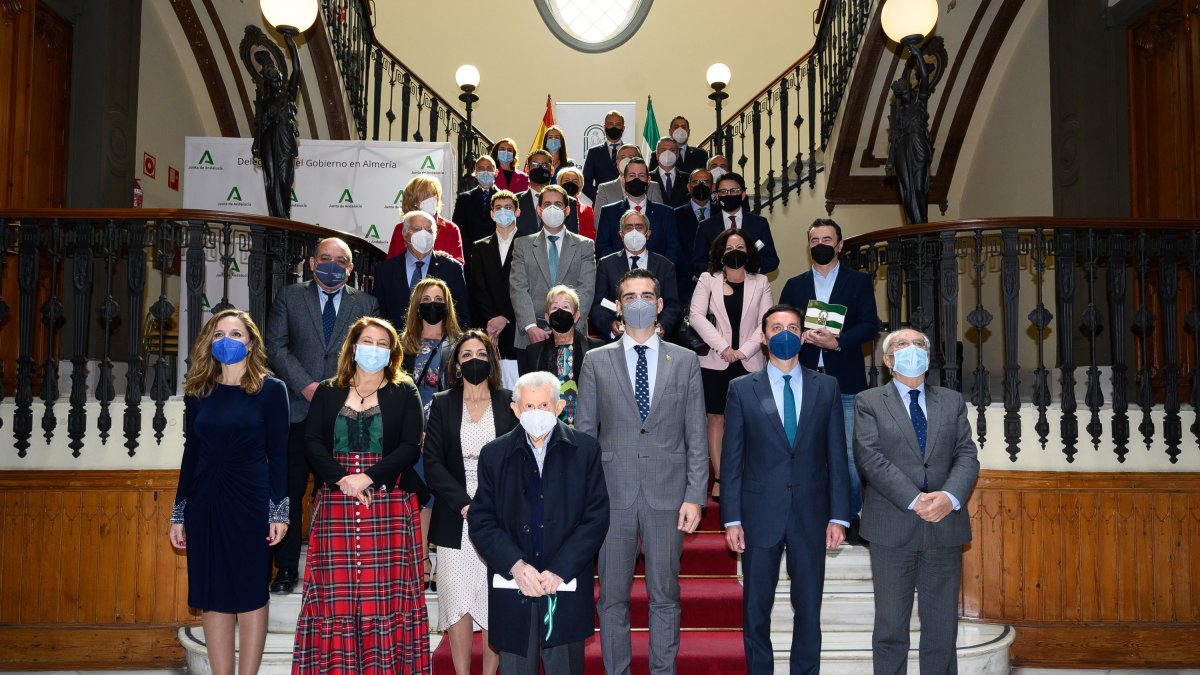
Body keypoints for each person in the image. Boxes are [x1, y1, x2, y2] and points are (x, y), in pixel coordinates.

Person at [575, 268, 708, 675]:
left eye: (646, 296)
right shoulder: (596, 361)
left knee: (664, 594)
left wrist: (695, 496)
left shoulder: (685, 360)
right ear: (618, 306)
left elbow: (696, 434)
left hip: (668, 497)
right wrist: (587, 499)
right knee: (611, 597)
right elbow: (584, 435)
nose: (638, 303)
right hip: (611, 497)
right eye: (629, 296)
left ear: (660, 304)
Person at [292, 316, 429, 673]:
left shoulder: (405, 390)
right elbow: (312, 443)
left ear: (392, 352)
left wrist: (367, 478)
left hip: (389, 504)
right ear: (353, 347)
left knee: (384, 600)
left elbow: (410, 446)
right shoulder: (328, 390)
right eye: (368, 341)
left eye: (383, 343)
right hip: (336, 503)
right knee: (335, 601)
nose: (374, 349)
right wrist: (343, 480)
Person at [720, 304, 851, 675]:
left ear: (804, 335)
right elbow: (732, 459)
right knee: (756, 610)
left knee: (809, 609)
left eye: (792, 327)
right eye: (776, 327)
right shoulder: (742, 389)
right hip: (760, 515)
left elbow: (837, 457)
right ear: (763, 337)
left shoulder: (827, 387)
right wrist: (731, 519)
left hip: (811, 514)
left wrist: (839, 515)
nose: (785, 333)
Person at [854, 328, 980, 675]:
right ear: (887, 360)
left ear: (929, 355)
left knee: (941, 630)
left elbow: (966, 455)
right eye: (901, 345)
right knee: (891, 630)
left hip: (945, 528)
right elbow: (870, 457)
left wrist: (949, 497)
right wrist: (915, 500)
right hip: (892, 528)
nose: (912, 350)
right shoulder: (869, 401)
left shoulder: (952, 401)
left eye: (919, 345)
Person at [467, 371, 610, 675]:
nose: (536, 413)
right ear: (515, 410)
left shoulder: (585, 450)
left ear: (559, 407)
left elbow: (595, 517)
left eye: (544, 405)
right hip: (513, 584)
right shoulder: (494, 455)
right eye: (529, 407)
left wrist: (561, 569)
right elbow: (482, 520)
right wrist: (516, 566)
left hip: (565, 585)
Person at [170, 309, 289, 675]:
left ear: (251, 343)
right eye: (219, 333)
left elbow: (280, 453)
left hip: (251, 500)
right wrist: (178, 511)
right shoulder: (199, 391)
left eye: (236, 334)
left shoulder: (272, 390)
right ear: (209, 341)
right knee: (213, 594)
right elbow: (192, 452)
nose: (227, 340)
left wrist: (279, 511)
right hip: (205, 502)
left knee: (251, 591)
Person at [266, 237, 379, 595]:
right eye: (325, 258)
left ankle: (340, 568)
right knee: (291, 486)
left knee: (341, 487)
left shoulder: (366, 303)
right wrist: (308, 387)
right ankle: (285, 568)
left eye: (341, 260)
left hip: (346, 411)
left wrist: (335, 393)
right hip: (298, 410)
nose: (332, 265)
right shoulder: (290, 296)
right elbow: (276, 347)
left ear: (350, 268)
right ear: (312, 264)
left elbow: (371, 353)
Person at [424, 330, 519, 675]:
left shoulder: (509, 400)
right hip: (456, 516)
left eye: (481, 353)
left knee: (496, 600)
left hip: (500, 517)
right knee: (458, 600)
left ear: (491, 361)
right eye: (467, 355)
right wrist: (465, 505)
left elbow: (520, 459)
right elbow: (433, 464)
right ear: (456, 364)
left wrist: (489, 506)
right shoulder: (443, 403)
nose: (474, 360)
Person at [780, 218, 880, 544]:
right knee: (804, 452)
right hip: (803, 381)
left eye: (827, 238)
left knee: (849, 457)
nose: (820, 244)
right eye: (814, 239)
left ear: (839, 245)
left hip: (845, 381)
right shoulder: (794, 285)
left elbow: (869, 325)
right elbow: (780, 324)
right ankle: (806, 516)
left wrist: (837, 342)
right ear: (808, 246)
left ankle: (849, 518)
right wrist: (799, 334)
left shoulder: (858, 282)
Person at [689, 229, 774, 502]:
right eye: (728, 247)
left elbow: (766, 322)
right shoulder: (707, 279)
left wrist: (743, 352)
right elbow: (696, 316)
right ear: (720, 252)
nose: (734, 250)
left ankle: (747, 476)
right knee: (716, 418)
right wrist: (724, 348)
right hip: (715, 361)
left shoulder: (761, 282)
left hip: (749, 363)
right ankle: (719, 477)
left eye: (740, 246)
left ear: (749, 252)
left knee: (750, 421)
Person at [400, 276, 464, 589]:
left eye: (438, 299)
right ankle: (422, 558)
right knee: (421, 497)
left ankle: (445, 565)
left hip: (446, 429)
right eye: (426, 300)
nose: (432, 305)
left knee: (444, 496)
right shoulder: (402, 345)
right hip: (411, 432)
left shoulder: (459, 343)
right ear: (416, 307)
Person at [509, 184, 597, 351]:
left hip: (572, 334)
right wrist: (530, 326)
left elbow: (586, 289)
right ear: (539, 210)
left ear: (567, 210)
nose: (552, 208)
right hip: (532, 336)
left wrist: (570, 327)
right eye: (547, 204)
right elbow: (518, 288)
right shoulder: (522, 245)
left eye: (558, 204)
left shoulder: (584, 246)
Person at [589, 209, 681, 340]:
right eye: (628, 227)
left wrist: (663, 326)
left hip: (655, 337)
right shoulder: (606, 264)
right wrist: (610, 325)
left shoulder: (666, 265)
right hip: (619, 339)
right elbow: (598, 305)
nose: (634, 232)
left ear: (648, 234)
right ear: (621, 234)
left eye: (639, 227)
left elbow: (672, 305)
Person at [518, 286, 602, 427]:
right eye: (554, 307)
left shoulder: (596, 349)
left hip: (587, 428)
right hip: (547, 428)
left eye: (565, 306)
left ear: (576, 316)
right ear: (547, 317)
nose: (560, 312)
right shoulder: (533, 352)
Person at [373, 210, 470, 331]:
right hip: (397, 345)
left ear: (435, 235)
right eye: (417, 229)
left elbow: (462, 315)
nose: (424, 234)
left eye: (429, 230)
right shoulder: (385, 271)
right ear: (405, 234)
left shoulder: (452, 268)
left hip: (439, 346)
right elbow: (378, 316)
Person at [468, 190, 522, 388]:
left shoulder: (529, 243)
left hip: (517, 329)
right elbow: (477, 288)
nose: (503, 212)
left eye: (508, 207)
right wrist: (492, 320)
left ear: (517, 212)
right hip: (488, 329)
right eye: (498, 208)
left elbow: (527, 287)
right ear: (491, 214)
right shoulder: (479, 246)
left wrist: (505, 317)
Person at [691, 172, 780, 277]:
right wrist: (719, 273)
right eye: (723, 191)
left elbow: (772, 260)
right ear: (717, 196)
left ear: (742, 195)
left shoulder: (759, 223)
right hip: (718, 286)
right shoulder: (706, 226)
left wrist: (750, 270)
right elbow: (697, 263)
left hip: (752, 285)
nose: (728, 195)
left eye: (734, 191)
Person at [594, 158, 681, 263]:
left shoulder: (666, 213)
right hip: (618, 276)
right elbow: (602, 247)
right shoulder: (609, 212)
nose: (637, 180)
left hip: (656, 275)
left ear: (648, 180)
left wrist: (658, 271)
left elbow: (673, 248)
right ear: (623, 180)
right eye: (632, 175)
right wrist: (619, 271)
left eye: (641, 176)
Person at [387, 175, 466, 263]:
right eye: (426, 195)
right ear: (414, 201)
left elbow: (459, 265)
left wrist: (446, 259)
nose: (432, 199)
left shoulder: (450, 229)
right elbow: (391, 263)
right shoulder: (401, 228)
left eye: (434, 194)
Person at [516, 149, 581, 236]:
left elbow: (571, 237)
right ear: (527, 169)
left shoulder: (569, 202)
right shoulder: (515, 201)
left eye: (545, 165)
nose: (540, 168)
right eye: (535, 165)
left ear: (552, 171)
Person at [673, 168, 714, 302]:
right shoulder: (675, 215)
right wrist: (694, 275)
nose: (701, 186)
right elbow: (675, 249)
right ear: (689, 187)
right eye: (696, 182)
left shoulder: (721, 213)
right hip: (686, 285)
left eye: (705, 182)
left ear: (712, 187)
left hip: (718, 283)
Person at [452, 155, 500, 267]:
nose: (485, 171)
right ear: (475, 172)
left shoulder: (505, 198)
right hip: (471, 259)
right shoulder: (464, 199)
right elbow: (459, 230)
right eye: (481, 168)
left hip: (497, 256)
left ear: (496, 172)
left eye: (489, 168)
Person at [595, 144, 664, 210]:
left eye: (631, 157)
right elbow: (599, 220)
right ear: (617, 162)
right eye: (623, 157)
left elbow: (660, 216)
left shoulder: (653, 186)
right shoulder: (605, 189)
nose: (627, 161)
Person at [582, 109, 627, 201]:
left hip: (628, 203)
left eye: (618, 124)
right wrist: (601, 196)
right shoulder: (593, 152)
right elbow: (585, 183)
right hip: (602, 204)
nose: (614, 127)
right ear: (604, 127)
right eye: (610, 124)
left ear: (623, 128)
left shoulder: (632, 151)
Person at [649, 137, 691, 208]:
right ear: (657, 155)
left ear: (677, 155)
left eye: (672, 150)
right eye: (663, 150)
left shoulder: (688, 178)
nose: (667, 153)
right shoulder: (647, 178)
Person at [556, 167, 595, 239]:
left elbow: (590, 236)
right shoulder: (553, 207)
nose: (570, 184)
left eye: (575, 182)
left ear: (580, 187)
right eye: (566, 180)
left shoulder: (587, 210)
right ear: (560, 184)